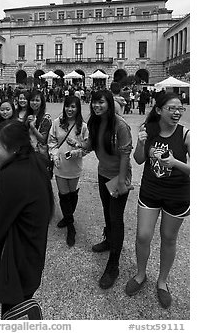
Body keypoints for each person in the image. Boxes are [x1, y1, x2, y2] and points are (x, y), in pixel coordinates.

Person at [0, 120, 54, 319]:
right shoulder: (36, 163)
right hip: (31, 258)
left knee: (4, 316)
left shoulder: (9, 176)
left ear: (16, 148)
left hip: (12, 266)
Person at [125, 92, 189, 309]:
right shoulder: (149, 130)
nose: (177, 112)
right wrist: (141, 143)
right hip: (151, 190)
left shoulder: (186, 135)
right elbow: (139, 160)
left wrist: (176, 163)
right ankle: (141, 274)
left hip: (177, 195)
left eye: (180, 108)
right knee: (143, 235)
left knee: (169, 239)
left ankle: (162, 282)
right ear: (159, 110)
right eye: (172, 108)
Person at [86, 89, 133, 289]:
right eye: (94, 102)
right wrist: (78, 147)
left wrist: (122, 181)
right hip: (102, 172)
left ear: (110, 103)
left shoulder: (120, 125)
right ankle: (108, 240)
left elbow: (125, 155)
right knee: (107, 213)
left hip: (118, 177)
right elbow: (91, 145)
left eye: (101, 102)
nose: (97, 106)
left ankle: (113, 265)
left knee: (116, 218)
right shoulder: (94, 122)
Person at [48, 95, 88, 247]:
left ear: (78, 108)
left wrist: (77, 151)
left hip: (74, 164)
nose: (70, 109)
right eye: (67, 106)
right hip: (60, 164)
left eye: (73, 107)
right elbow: (51, 142)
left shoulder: (82, 127)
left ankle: (67, 217)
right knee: (63, 194)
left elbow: (87, 147)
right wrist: (53, 155)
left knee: (72, 194)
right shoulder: (57, 123)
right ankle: (71, 226)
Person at [27, 89, 52, 162]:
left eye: (37, 100)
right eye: (32, 100)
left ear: (42, 102)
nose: (34, 103)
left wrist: (33, 127)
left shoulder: (46, 118)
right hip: (28, 152)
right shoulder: (29, 115)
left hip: (40, 154)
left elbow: (43, 139)